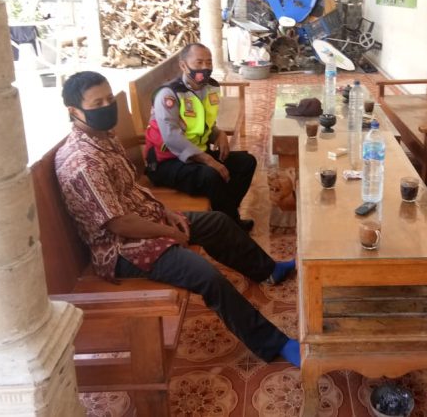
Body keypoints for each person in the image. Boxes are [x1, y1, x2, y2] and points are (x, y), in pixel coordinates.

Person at [55, 71, 300, 367]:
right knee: (207, 276)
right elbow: (119, 224)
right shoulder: (83, 161)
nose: (107, 106)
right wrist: (170, 233)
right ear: (74, 111)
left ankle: (269, 270)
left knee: (218, 223)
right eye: (98, 103)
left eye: (109, 98)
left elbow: (132, 190)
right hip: (122, 249)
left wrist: (166, 212)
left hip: (146, 220)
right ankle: (275, 343)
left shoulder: (104, 138)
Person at [144, 43, 256, 232]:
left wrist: (218, 133)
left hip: (196, 154)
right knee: (211, 175)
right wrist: (209, 160)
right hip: (166, 162)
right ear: (183, 65)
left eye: (209, 62)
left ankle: (226, 215)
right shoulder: (169, 94)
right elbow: (171, 136)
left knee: (246, 162)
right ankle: (230, 225)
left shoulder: (210, 88)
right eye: (199, 62)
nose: (205, 67)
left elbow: (203, 123)